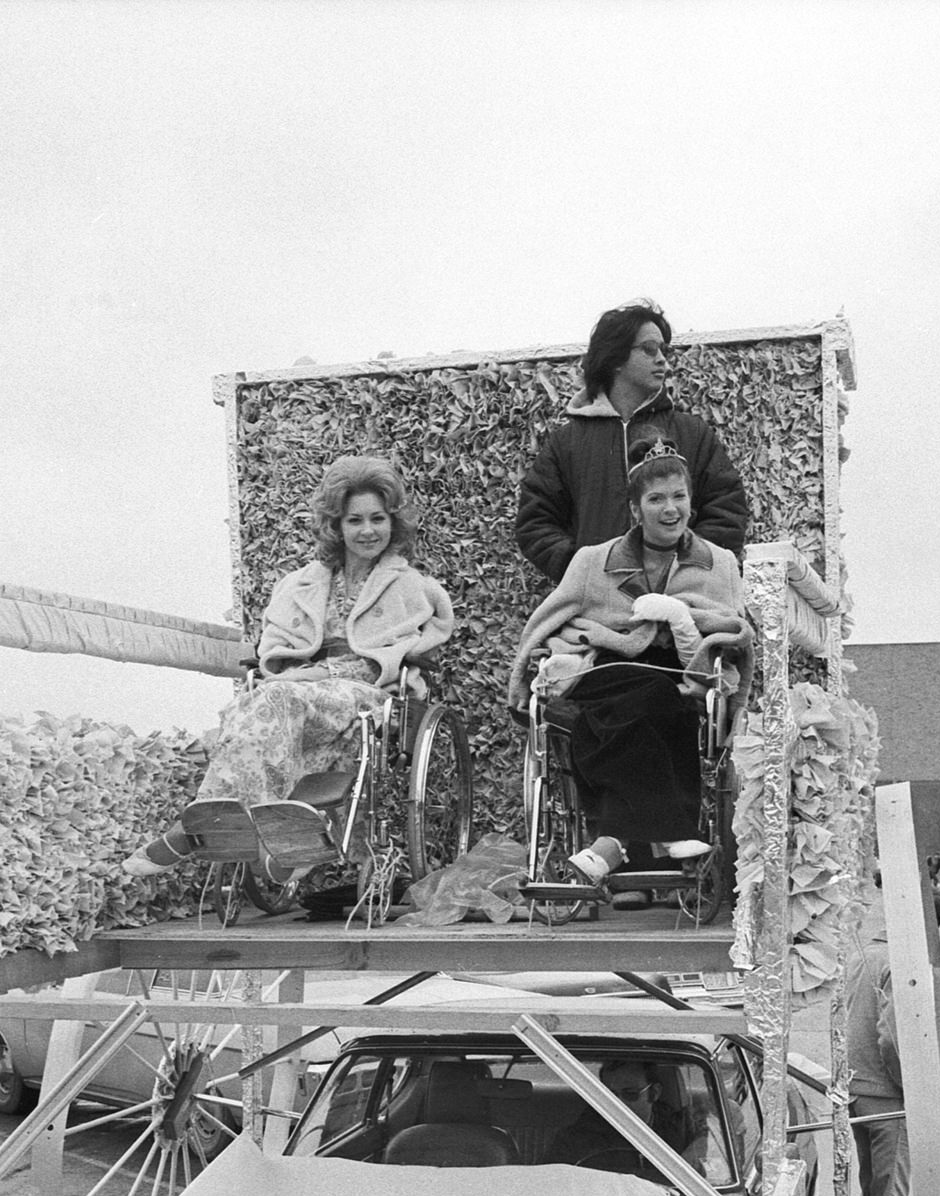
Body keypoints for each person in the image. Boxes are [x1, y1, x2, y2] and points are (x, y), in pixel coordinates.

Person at [126, 456, 453, 879]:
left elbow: (392, 661)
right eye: (355, 520)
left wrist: (318, 675)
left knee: (272, 698)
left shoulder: (412, 588)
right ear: (336, 525)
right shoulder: (301, 583)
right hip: (296, 697)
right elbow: (276, 651)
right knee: (264, 702)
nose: (368, 530)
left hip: (365, 699)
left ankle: (187, 834)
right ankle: (280, 838)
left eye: (378, 518)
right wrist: (292, 675)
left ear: (394, 522)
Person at [507, 434, 747, 890]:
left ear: (691, 502)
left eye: (679, 496)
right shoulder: (593, 562)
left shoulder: (719, 564)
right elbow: (546, 620)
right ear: (636, 509)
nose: (670, 509)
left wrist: (679, 617)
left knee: (655, 707)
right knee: (654, 697)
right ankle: (673, 833)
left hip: (676, 671)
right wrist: (529, 669)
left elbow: (732, 635)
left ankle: (612, 842)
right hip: (606, 667)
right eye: (656, 499)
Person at [515, 299, 747, 587]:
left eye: (664, 350)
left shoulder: (692, 434)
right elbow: (535, 523)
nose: (662, 359)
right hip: (598, 612)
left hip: (683, 607)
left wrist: (686, 571)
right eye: (649, 350)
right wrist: (584, 570)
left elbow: (728, 511)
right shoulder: (568, 443)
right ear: (615, 359)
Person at [847, 873, 940, 1196]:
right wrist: (917, 1090)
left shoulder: (864, 955)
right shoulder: (902, 963)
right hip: (889, 1099)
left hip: (857, 1092)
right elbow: (893, 1039)